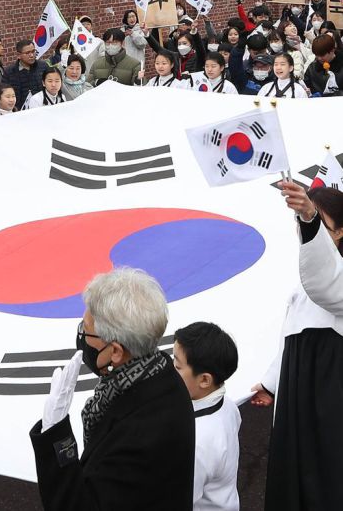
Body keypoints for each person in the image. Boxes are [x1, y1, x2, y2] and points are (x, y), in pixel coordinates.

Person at [30, 267, 194, 509]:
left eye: (86, 330)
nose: (81, 336)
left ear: (116, 351)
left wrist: (56, 434)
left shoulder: (142, 432)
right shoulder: (159, 370)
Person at [251, 182, 343, 510]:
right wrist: (271, 384)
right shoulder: (300, 290)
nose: (306, 230)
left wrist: (308, 216)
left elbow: (326, 284)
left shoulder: (331, 282)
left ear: (341, 232)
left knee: (327, 483)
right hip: (296, 399)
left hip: (329, 404)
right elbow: (288, 344)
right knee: (293, 484)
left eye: (323, 223)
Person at [173, 322, 240, 511]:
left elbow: (179, 499)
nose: (170, 371)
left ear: (204, 380)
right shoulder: (228, 406)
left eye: (177, 366)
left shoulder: (197, 441)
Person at [2, 40, 48, 108]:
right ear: (19, 55)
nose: (32, 55)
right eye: (27, 53)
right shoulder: (9, 72)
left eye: (33, 51)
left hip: (42, 108)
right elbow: (3, 93)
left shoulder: (43, 66)